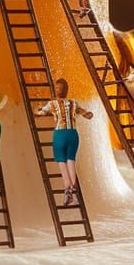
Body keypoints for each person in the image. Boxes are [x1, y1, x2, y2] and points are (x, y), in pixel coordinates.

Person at [37, 78, 94, 206]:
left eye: (57, 88)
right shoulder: (73, 102)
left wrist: (38, 110)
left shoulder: (52, 103)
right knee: (71, 161)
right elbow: (83, 112)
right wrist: (87, 114)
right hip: (73, 134)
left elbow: (41, 112)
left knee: (61, 161)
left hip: (60, 134)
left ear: (57, 90)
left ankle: (67, 187)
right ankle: (74, 191)